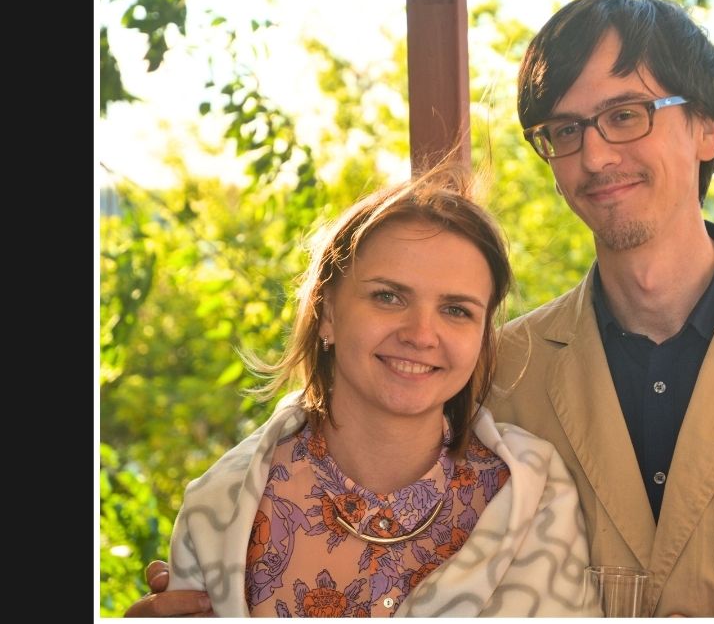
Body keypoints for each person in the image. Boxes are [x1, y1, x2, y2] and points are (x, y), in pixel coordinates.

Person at [129, 0, 714, 617]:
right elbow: (366, 545)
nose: (596, 154)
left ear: (707, 127)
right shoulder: (492, 369)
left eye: (628, 113)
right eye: (564, 129)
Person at [128, 164, 593, 617]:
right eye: (388, 296)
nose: (421, 334)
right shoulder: (226, 507)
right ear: (327, 312)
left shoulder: (535, 500)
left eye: (456, 310)